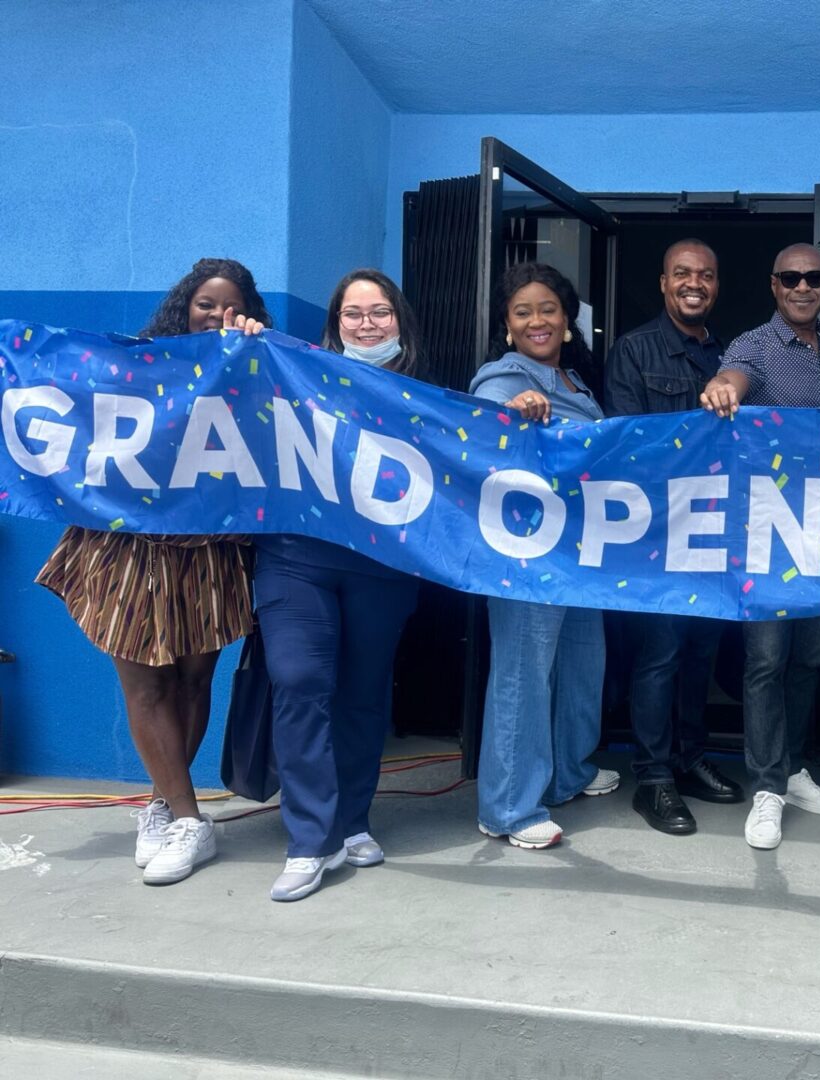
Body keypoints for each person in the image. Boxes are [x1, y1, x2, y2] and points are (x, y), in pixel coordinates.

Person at [35, 258, 270, 885]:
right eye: (204, 304)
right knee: (145, 687)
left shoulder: (259, 365)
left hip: (209, 552)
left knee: (193, 686)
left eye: (229, 306)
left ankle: (166, 806)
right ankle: (191, 820)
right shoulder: (135, 367)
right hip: (129, 547)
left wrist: (254, 354)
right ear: (182, 308)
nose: (216, 315)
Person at [249, 268, 426, 902]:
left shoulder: (424, 396)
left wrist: (516, 413)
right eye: (354, 314)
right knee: (298, 681)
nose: (367, 324)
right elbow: (237, 392)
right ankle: (309, 840)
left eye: (379, 312)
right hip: (295, 560)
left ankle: (352, 821)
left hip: (380, 568)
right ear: (335, 324)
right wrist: (244, 340)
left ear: (399, 320)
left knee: (361, 696)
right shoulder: (292, 370)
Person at [700, 243, 820, 850]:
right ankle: (765, 786)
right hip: (767, 533)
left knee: (811, 658)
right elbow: (732, 375)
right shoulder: (755, 345)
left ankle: (791, 770)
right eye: (791, 277)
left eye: (813, 277)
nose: (802, 286)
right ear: (773, 284)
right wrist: (721, 388)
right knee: (765, 660)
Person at [468, 262, 621, 849]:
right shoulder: (504, 378)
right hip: (527, 554)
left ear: (568, 319)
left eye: (549, 310)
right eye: (523, 312)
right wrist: (515, 411)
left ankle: (568, 773)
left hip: (580, 552)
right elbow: (485, 430)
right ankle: (508, 808)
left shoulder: (578, 381)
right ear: (507, 326)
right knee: (524, 672)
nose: (538, 321)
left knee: (583, 662)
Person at [606, 239, 742, 834]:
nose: (695, 283)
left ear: (717, 285)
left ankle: (690, 758)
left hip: (716, 531)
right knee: (659, 654)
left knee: (699, 653)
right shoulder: (634, 350)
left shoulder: (731, 354)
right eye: (683, 274)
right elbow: (628, 443)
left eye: (706, 275)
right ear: (663, 283)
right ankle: (654, 776)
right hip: (660, 534)